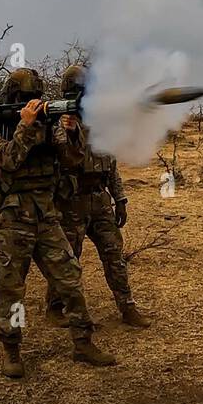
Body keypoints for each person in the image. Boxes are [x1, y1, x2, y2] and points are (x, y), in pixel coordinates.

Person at [0, 68, 114, 378]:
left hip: (47, 215)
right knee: (10, 287)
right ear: (14, 98)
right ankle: (12, 351)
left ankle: (83, 343)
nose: (33, 104)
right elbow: (8, 161)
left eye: (36, 99)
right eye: (26, 99)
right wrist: (25, 128)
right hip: (14, 220)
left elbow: (72, 160)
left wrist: (70, 132)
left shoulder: (49, 125)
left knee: (69, 279)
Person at [47, 65, 153, 329]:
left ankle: (127, 307)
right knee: (68, 258)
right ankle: (55, 305)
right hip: (72, 200)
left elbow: (111, 164)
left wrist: (120, 199)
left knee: (114, 254)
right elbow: (62, 155)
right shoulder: (60, 124)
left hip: (100, 198)